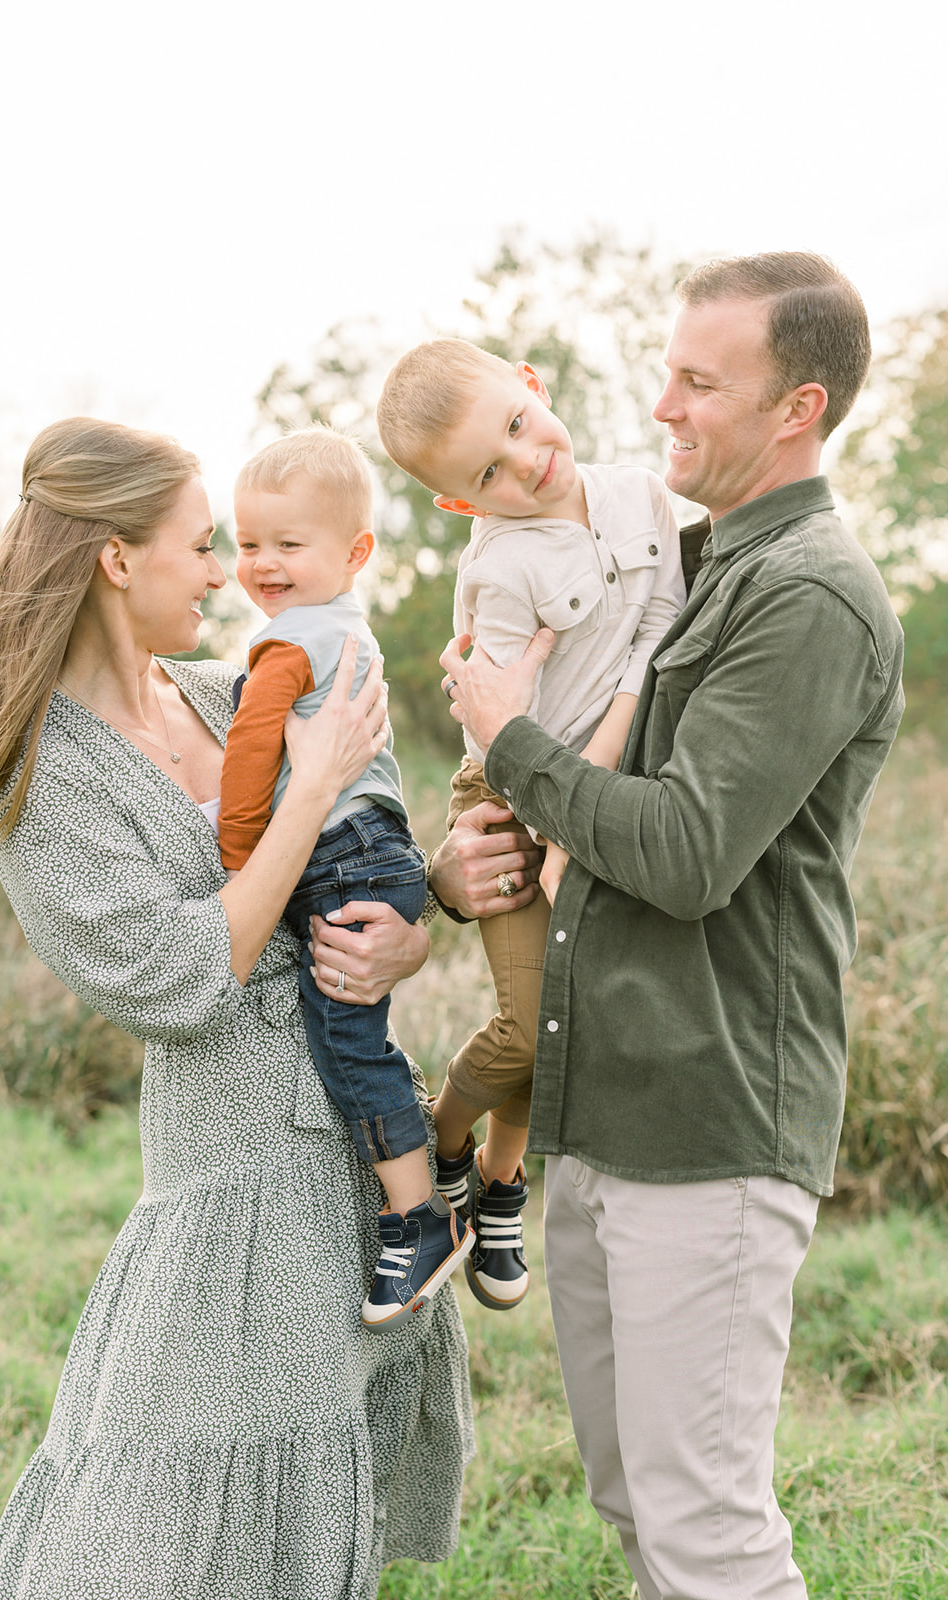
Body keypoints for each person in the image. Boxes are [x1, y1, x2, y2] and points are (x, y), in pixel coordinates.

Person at [326, 252, 905, 1600]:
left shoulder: (804, 591)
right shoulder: (689, 557)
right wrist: (473, 856)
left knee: (704, 1530)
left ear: (795, 408)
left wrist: (509, 744)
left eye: (700, 384)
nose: (660, 407)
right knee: (640, 1509)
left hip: (704, 1118)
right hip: (601, 1106)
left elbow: (688, 853)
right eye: (665, 375)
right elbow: (583, 813)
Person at [0, 417, 474, 1600]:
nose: (229, 574)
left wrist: (416, 929)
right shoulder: (41, 770)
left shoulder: (236, 694)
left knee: (318, 1488)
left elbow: (362, 863)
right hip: (227, 1163)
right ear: (119, 558)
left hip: (355, 1141)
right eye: (203, 545)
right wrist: (302, 791)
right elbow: (172, 979)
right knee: (160, 1493)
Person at [375, 340, 685, 1313]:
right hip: (507, 801)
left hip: (582, 795)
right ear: (461, 504)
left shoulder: (641, 494)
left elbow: (660, 626)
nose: (525, 463)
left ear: (534, 385)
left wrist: (580, 814)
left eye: (517, 424)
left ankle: (500, 1180)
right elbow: (503, 725)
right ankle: (452, 1147)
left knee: (564, 1017)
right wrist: (548, 828)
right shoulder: (500, 574)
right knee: (531, 1024)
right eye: (487, 475)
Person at [219, 426, 473, 1331]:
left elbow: (253, 754)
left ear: (356, 551)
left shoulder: (287, 646)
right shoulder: (348, 629)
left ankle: (421, 1215)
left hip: (338, 858)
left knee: (348, 1043)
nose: (262, 564)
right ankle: (435, 1163)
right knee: (359, 1034)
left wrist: (240, 853)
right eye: (248, 543)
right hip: (380, 850)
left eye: (289, 545)